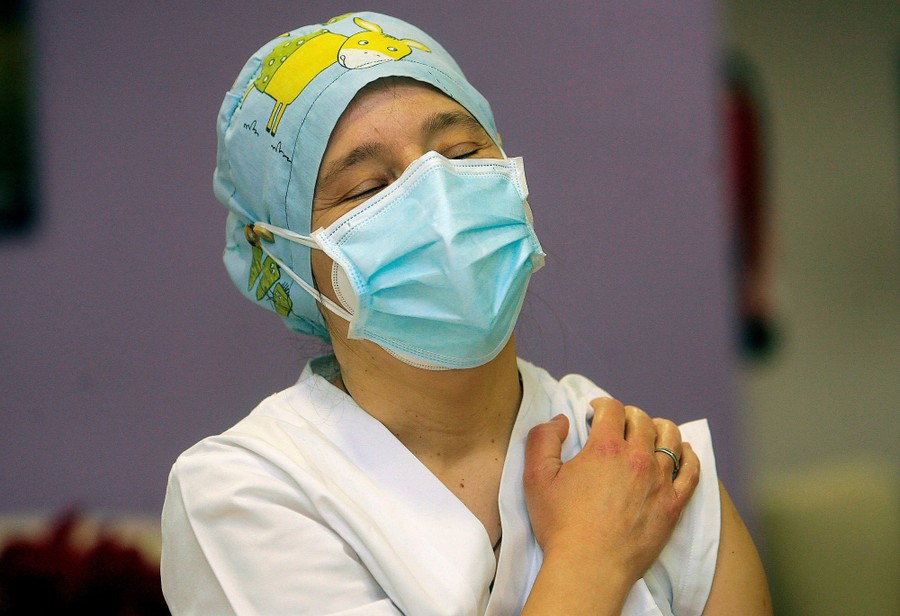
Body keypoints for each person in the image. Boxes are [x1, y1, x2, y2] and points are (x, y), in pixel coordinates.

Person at [161, 11, 771, 615]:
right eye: (369, 188)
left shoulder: (647, 467)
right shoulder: (248, 492)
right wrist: (592, 556)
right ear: (289, 257)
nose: (439, 197)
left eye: (459, 151)